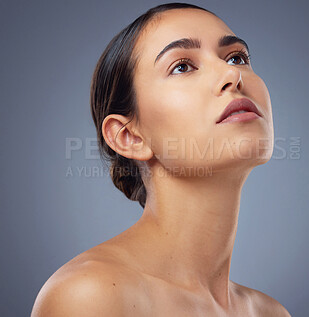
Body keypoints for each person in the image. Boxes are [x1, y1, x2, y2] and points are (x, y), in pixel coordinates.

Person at [31, 2, 291, 316]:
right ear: (130, 137)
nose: (232, 74)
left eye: (236, 57)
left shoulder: (270, 312)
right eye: (182, 66)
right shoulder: (90, 296)